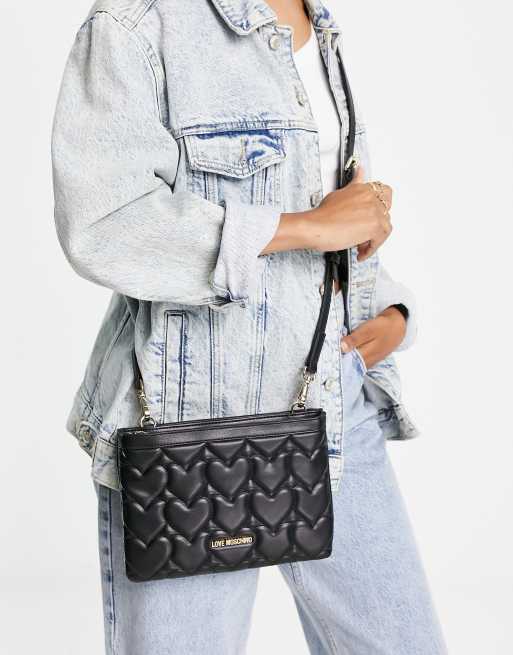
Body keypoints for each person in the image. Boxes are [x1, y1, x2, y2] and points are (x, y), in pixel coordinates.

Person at [51, 0, 448, 652]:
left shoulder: (319, 20)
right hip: (187, 424)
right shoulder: (137, 22)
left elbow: (327, 208)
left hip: (332, 400)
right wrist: (302, 229)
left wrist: (387, 309)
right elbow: (104, 224)